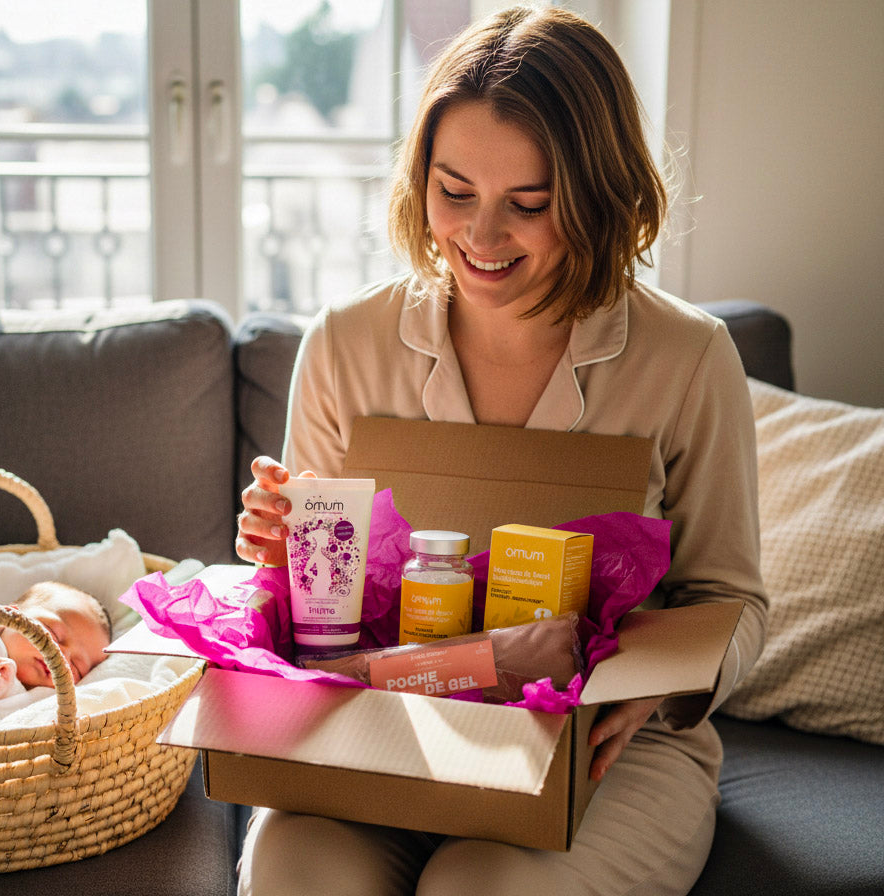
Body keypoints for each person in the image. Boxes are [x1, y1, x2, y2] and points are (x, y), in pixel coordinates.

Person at [235, 6, 767, 895]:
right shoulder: (344, 343)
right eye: (454, 192)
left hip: (597, 747)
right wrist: (276, 556)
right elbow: (309, 604)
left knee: (480, 886)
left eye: (529, 205)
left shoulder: (688, 358)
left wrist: (654, 685)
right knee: (293, 867)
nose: (480, 239)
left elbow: (732, 600)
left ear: (598, 196)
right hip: (387, 728)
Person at [0, 581, 112, 701]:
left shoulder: (45, 701)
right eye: (54, 634)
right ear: (10, 614)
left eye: (76, 666)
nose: (62, 656)